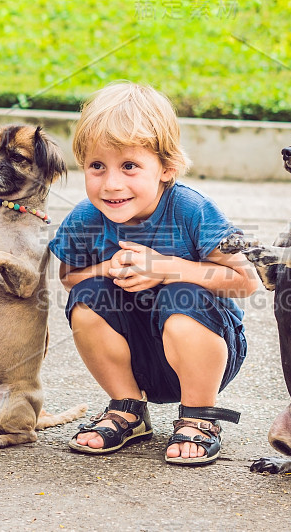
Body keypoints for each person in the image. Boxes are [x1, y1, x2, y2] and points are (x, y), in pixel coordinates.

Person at [49, 82, 259, 465]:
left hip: (201, 351)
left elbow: (247, 281)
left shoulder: (192, 210)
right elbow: (69, 277)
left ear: (167, 168)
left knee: (183, 294)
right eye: (97, 166)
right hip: (135, 353)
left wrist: (166, 268)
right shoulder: (85, 217)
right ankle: (127, 407)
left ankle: (199, 416)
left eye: (129, 166)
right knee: (87, 297)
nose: (111, 183)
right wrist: (106, 269)